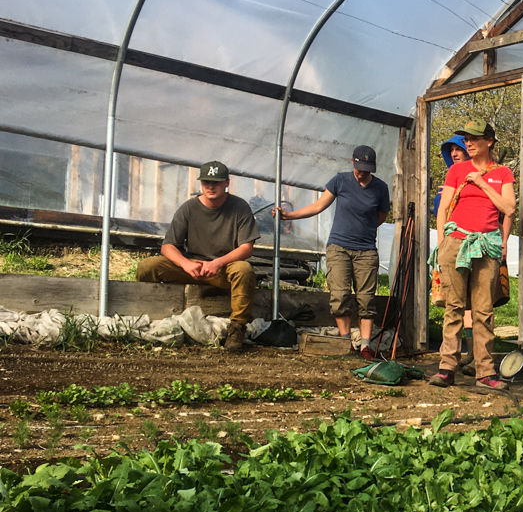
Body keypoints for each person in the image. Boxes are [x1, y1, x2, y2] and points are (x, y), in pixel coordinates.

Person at [276, 145, 391, 360]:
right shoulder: (340, 181)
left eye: (366, 169)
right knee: (339, 295)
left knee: (366, 299)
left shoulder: (380, 188)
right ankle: (346, 343)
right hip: (338, 247)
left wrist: (362, 228)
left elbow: (381, 217)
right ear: (352, 162)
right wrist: (288, 216)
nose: (362, 172)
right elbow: (318, 206)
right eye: (359, 167)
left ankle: (365, 346)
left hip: (366, 250)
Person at [136, 160, 260, 352]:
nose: (210, 187)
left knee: (244, 270)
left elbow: (246, 248)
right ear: (200, 183)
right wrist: (186, 264)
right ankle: (144, 316)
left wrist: (218, 263)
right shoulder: (188, 208)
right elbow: (168, 246)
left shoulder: (239, 207)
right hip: (192, 266)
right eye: (206, 182)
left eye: (216, 182)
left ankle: (237, 327)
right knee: (148, 266)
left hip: (223, 269)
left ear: (227, 183)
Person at [430, 120, 516, 391]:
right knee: (454, 307)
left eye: (474, 138)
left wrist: (482, 182)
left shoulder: (502, 173)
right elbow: (443, 208)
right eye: (466, 138)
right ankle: (447, 368)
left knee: (483, 311)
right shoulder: (456, 170)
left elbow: (509, 208)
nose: (468, 143)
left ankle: (485, 373)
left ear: (489, 141)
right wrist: (443, 242)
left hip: (487, 246)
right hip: (456, 242)